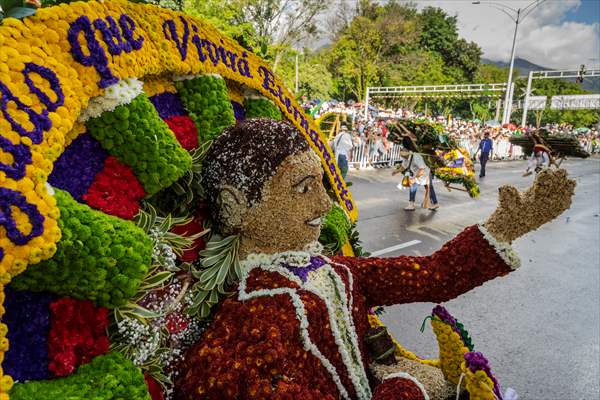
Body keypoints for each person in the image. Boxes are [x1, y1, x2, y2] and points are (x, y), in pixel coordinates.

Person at [177, 118, 575, 400]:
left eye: (321, 184)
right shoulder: (248, 321)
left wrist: (505, 226)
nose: (324, 202)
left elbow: (432, 276)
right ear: (235, 208)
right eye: (302, 188)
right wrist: (408, 385)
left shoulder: (338, 272)